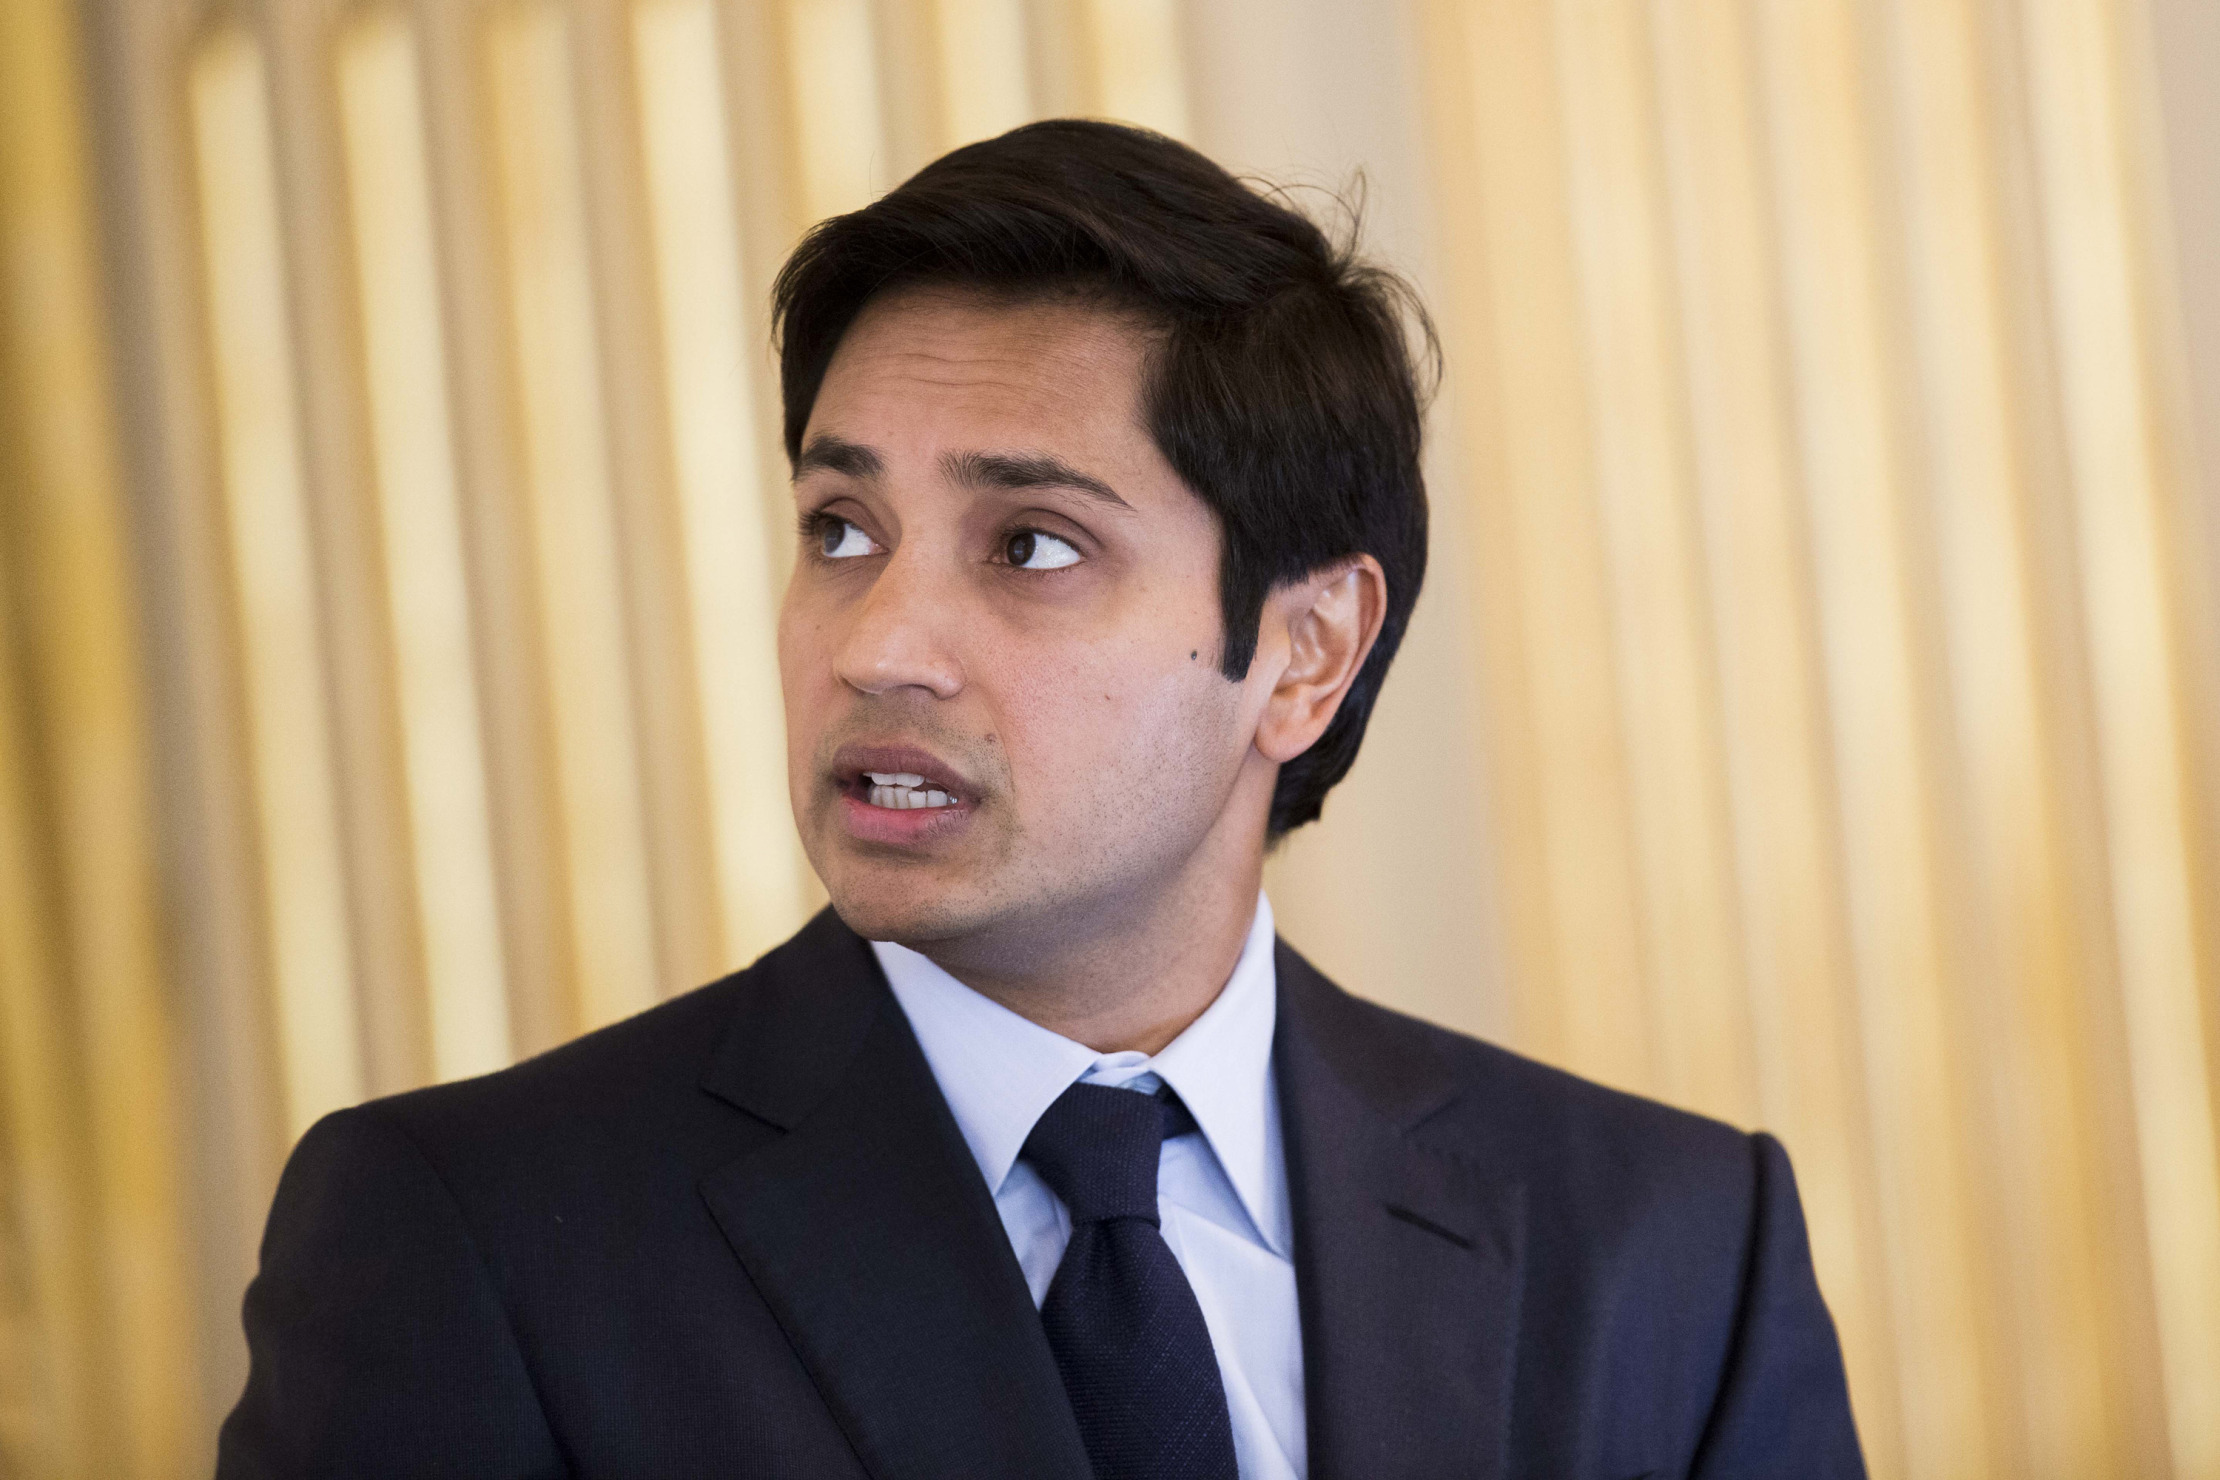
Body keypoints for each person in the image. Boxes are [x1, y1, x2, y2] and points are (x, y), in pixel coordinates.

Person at [217, 120, 1865, 1480]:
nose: (883, 643)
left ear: (1304, 651)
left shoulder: (1669, 1251)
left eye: (1033, 547)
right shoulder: (470, 1242)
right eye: (842, 529)